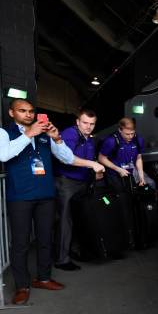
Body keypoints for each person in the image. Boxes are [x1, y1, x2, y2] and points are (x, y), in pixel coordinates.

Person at [0, 99, 75, 305]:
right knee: (20, 243)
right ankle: (22, 286)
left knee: (45, 239)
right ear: (12, 113)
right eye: (22, 111)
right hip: (20, 196)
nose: (28, 114)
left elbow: (67, 158)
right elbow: (2, 154)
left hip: (45, 195)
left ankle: (43, 278)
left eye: (31, 111)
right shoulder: (2, 133)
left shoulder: (45, 133)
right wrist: (29, 134)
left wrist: (57, 139)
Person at [53, 108, 105, 270]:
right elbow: (67, 159)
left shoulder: (89, 138)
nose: (88, 127)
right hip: (66, 182)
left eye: (92, 124)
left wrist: (94, 172)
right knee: (65, 221)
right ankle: (62, 259)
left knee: (79, 218)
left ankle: (75, 250)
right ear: (77, 122)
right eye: (85, 123)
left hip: (82, 182)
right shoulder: (70, 134)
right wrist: (93, 164)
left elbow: (87, 159)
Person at [98, 117, 146, 191]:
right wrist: (119, 169)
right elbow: (101, 158)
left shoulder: (139, 140)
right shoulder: (111, 141)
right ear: (120, 130)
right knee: (121, 197)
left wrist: (141, 176)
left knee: (132, 195)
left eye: (132, 133)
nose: (130, 136)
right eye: (127, 134)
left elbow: (139, 158)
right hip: (113, 174)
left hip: (128, 173)